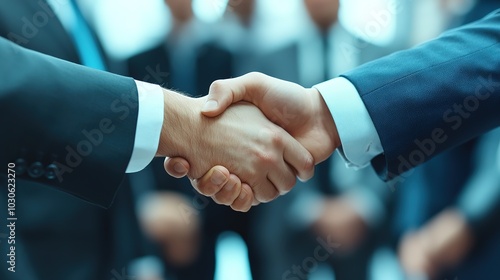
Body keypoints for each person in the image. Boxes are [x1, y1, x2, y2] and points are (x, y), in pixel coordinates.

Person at [167, 9, 500, 211]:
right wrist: (320, 116)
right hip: (291, 219)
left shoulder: (379, 49)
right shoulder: (274, 53)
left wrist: (321, 115)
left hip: (368, 219)